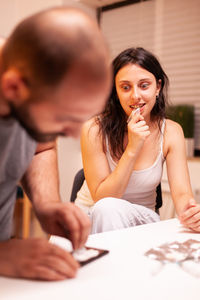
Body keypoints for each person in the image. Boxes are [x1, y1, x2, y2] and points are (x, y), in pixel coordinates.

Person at [0, 7, 111, 281]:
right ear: (13, 88)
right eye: (64, 118)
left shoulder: (30, 80)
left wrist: (46, 203)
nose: (73, 134)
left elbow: (43, 146)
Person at [75, 47, 200, 234]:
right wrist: (132, 148)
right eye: (125, 87)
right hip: (89, 216)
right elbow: (103, 198)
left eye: (144, 85)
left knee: (108, 209)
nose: (135, 96)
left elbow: (182, 194)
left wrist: (191, 213)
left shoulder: (172, 132)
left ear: (158, 87)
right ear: (115, 91)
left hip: (141, 220)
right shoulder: (94, 129)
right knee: (106, 208)